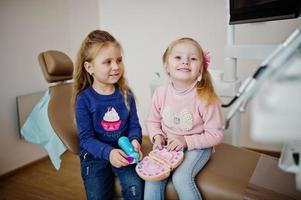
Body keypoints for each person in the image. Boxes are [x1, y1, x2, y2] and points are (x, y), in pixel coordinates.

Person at [144, 37, 224, 200]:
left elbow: (216, 135)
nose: (185, 62)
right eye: (178, 57)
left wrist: (186, 141)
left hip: (198, 147)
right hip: (169, 146)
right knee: (152, 178)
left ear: (200, 69)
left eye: (193, 59)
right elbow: (152, 121)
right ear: (166, 66)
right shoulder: (160, 93)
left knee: (181, 178)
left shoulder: (205, 98)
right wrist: (157, 136)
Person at [72, 30, 144, 200]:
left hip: (123, 152)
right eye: (107, 62)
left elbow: (134, 126)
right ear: (89, 67)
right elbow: (86, 139)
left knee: (136, 188)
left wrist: (135, 141)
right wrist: (108, 153)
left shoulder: (126, 95)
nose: (116, 66)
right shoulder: (84, 99)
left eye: (119, 60)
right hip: (94, 156)